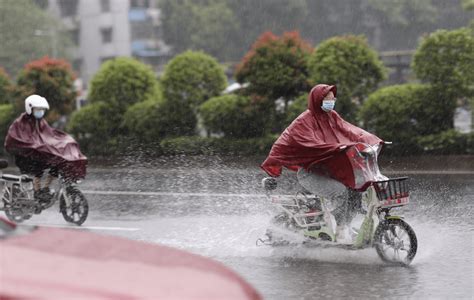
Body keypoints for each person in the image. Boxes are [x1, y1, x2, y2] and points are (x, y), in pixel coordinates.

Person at [261, 84, 383, 240]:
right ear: (318, 99)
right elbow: (308, 142)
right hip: (310, 173)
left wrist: (372, 140)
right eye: (328, 99)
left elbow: (351, 131)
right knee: (341, 192)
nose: (331, 102)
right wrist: (337, 147)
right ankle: (340, 230)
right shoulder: (304, 121)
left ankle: (344, 225)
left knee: (355, 191)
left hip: (329, 170)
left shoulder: (332, 116)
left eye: (333, 99)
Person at [4, 95, 87, 203]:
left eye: (42, 110)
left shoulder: (40, 121)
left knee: (57, 164)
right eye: (38, 109)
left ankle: (46, 188)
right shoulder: (21, 123)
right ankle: (37, 191)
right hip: (25, 156)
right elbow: (18, 138)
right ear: (30, 108)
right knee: (37, 167)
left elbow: (49, 135)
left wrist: (61, 143)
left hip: (38, 154)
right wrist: (36, 147)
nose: (40, 112)